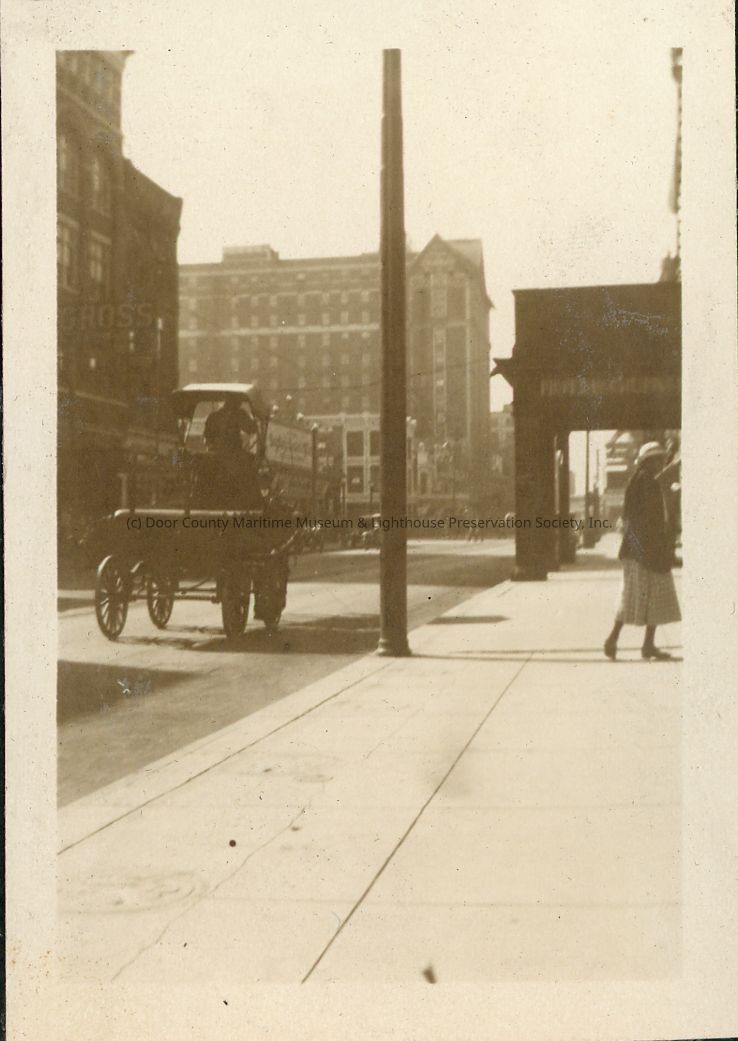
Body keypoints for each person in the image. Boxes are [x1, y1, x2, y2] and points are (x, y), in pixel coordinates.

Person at [604, 441, 681, 661]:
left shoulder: (639, 480)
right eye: (657, 459)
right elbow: (648, 519)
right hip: (645, 550)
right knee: (650, 595)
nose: (660, 462)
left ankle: (619, 640)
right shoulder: (648, 483)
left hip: (637, 549)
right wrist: (657, 547)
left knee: (632, 596)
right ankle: (639, 644)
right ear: (649, 461)